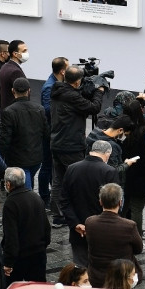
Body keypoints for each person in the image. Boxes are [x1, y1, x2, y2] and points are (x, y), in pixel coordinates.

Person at [49, 65, 106, 226]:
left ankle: (58, 216)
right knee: (79, 179)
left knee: (58, 180)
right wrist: (99, 91)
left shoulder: (57, 89)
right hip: (71, 145)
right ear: (77, 82)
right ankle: (78, 215)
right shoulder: (71, 96)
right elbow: (94, 107)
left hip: (56, 142)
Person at [60, 141, 120, 267]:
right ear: (107, 154)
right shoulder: (109, 171)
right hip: (102, 231)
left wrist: (75, 223)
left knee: (81, 270)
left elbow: (64, 200)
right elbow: (114, 204)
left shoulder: (72, 168)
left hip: (78, 232)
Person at [85, 183, 144, 287]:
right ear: (120, 202)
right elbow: (139, 249)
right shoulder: (129, 226)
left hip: (96, 277)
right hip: (122, 278)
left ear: (100, 202)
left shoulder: (90, 222)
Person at [2, 168, 51, 284]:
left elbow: (11, 236)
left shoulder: (11, 203)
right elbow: (46, 227)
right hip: (38, 254)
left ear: (8, 184)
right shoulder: (36, 197)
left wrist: (8, 262)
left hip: (20, 257)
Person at [40, 56, 68, 219]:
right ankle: (44, 197)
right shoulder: (49, 86)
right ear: (62, 71)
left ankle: (52, 195)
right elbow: (48, 110)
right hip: (50, 131)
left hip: (56, 131)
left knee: (52, 166)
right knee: (46, 165)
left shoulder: (58, 84)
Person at [120, 101, 145, 238]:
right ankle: (137, 238)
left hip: (126, 172)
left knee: (125, 207)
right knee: (137, 209)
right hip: (140, 176)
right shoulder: (143, 132)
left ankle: (122, 234)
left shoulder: (123, 129)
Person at [0, 40, 29, 109]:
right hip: (16, 112)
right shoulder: (15, 71)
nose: (26, 53)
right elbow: (23, 94)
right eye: (24, 51)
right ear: (15, 54)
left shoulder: (5, 66)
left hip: (7, 110)